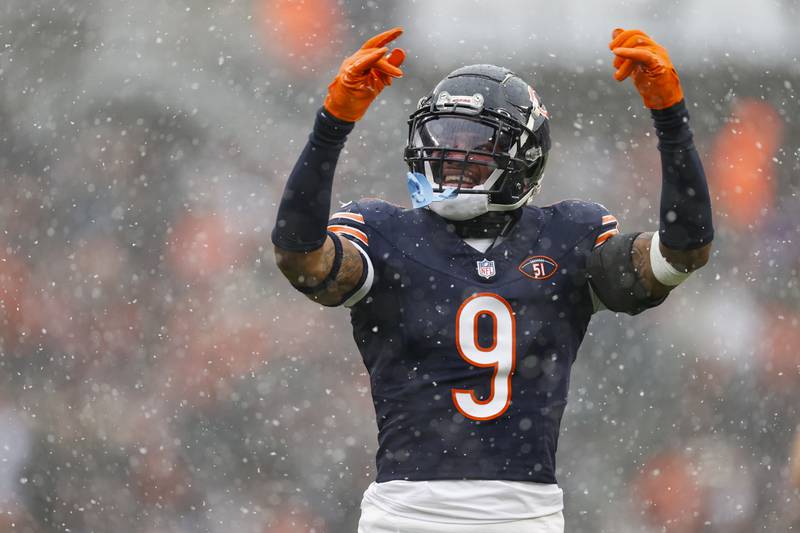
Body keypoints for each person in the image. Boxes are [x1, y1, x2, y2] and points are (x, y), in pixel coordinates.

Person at [272, 26, 713, 533]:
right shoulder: (385, 233)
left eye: (474, 146)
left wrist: (671, 120)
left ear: (523, 159)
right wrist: (332, 126)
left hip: (523, 516)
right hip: (405, 516)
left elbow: (683, 252)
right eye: (443, 141)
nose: (451, 158)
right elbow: (299, 255)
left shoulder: (569, 236)